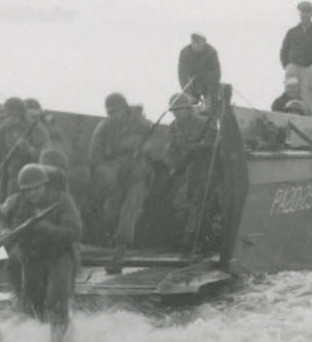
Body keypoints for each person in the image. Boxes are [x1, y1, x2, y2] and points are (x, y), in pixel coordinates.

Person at [0, 163, 83, 342]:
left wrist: (49, 229)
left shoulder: (62, 201)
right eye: (29, 190)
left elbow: (75, 231)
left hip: (59, 256)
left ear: (45, 186)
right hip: (32, 257)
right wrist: (5, 230)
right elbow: (1, 214)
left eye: (38, 188)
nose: (34, 193)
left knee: (56, 300)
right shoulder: (16, 201)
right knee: (34, 307)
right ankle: (64, 331)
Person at [87, 93, 156, 273]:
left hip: (138, 176)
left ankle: (119, 255)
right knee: (110, 211)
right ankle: (119, 243)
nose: (112, 115)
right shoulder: (105, 127)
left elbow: (153, 145)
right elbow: (94, 153)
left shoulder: (141, 123)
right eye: (109, 112)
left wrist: (139, 148)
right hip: (117, 177)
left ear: (125, 108)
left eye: (115, 111)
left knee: (128, 212)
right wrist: (104, 169)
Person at [164, 93, 219, 250]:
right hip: (189, 169)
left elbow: (216, 143)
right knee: (183, 202)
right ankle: (207, 238)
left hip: (207, 167)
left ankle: (190, 238)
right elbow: (171, 150)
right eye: (174, 111)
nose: (177, 113)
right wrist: (173, 165)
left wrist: (199, 148)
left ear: (188, 109)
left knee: (198, 201)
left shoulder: (203, 123)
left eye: (180, 110)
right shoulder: (173, 128)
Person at [278, 1, 312, 115]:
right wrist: (287, 65)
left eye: (308, 13)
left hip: (309, 70)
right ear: (300, 13)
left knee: (308, 99)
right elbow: (284, 50)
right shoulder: (292, 32)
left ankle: (309, 122)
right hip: (293, 68)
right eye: (303, 12)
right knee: (290, 96)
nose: (305, 15)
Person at [177, 33, 221, 101]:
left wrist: (210, 92)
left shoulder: (211, 52)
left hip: (208, 80)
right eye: (193, 42)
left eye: (198, 42)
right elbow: (182, 75)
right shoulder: (185, 52)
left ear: (204, 43)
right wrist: (187, 93)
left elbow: (216, 74)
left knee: (212, 100)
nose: (195, 45)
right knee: (189, 101)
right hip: (192, 82)